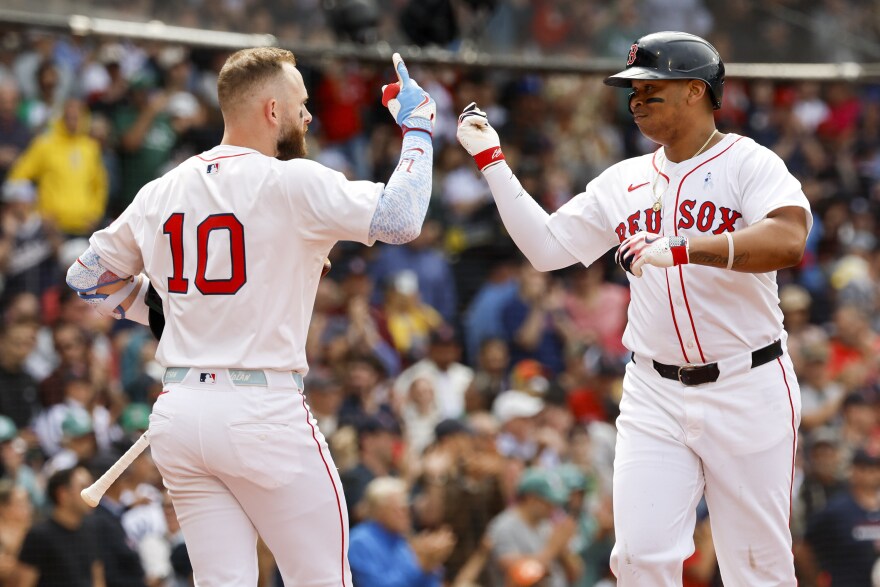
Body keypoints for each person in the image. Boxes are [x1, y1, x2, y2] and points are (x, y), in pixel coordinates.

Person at [64, 47, 436, 586]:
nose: (307, 115)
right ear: (271, 111)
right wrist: (420, 128)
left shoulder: (161, 190)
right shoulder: (292, 181)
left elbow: (87, 278)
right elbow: (402, 218)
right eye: (301, 103)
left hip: (181, 412)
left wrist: (161, 312)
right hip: (262, 411)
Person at [456, 31, 811, 586]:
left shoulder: (748, 161)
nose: (636, 100)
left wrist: (685, 249)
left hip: (749, 382)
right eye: (632, 90)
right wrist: (491, 161)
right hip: (655, 390)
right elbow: (548, 249)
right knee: (640, 558)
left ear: (696, 91)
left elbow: (789, 240)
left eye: (650, 87)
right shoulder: (623, 180)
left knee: (757, 566)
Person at [348, 476, 456, 587]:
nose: (407, 514)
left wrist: (431, 563)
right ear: (380, 510)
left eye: (407, 508)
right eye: (400, 509)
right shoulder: (360, 542)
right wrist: (421, 564)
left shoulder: (401, 539)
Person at [12, 465, 104, 586]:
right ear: (63, 494)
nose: (93, 492)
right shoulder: (39, 536)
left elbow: (97, 578)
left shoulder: (90, 529)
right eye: (84, 487)